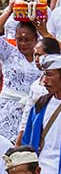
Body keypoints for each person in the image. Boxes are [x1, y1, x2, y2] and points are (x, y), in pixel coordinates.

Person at [0, 14, 41, 142]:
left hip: (33, 110)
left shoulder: (43, 56)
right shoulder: (10, 53)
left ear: (36, 39)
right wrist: (10, 10)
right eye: (19, 39)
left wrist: (44, 30)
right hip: (7, 109)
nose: (23, 44)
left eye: (27, 40)